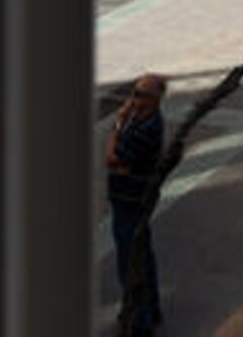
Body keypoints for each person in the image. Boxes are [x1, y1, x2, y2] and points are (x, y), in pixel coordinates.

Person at [106, 72, 168, 334]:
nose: (133, 99)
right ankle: (151, 310)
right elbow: (118, 162)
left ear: (154, 99)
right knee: (143, 253)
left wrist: (118, 125)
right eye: (134, 92)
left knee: (129, 263)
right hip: (133, 197)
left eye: (140, 95)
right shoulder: (142, 119)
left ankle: (139, 323)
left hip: (130, 201)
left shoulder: (146, 127)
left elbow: (111, 158)